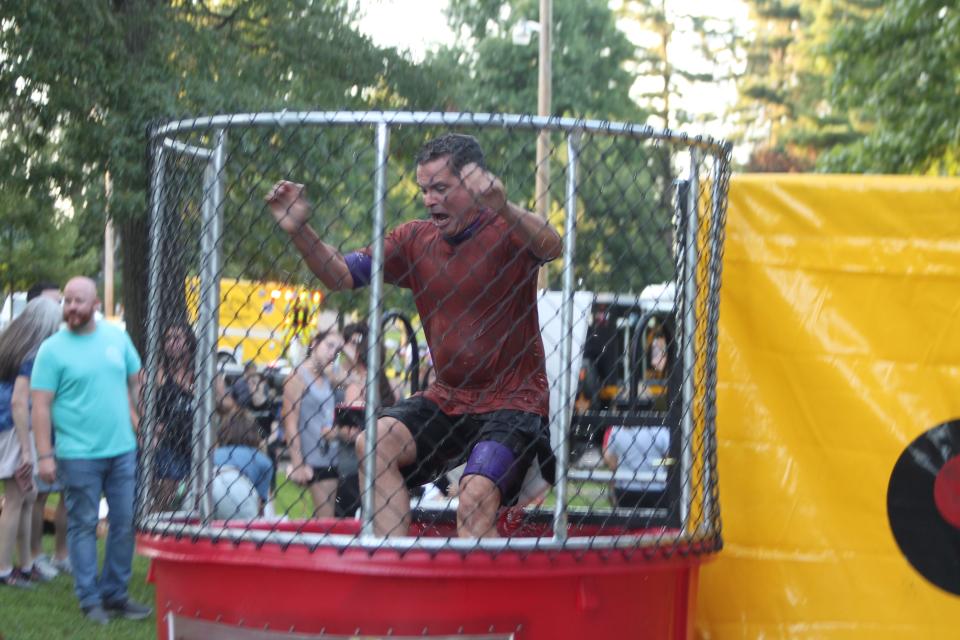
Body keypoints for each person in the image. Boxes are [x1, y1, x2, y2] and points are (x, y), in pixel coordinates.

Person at [265, 133, 562, 538]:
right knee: (375, 442)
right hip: (449, 399)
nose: (429, 199)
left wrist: (505, 207)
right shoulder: (413, 240)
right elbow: (340, 274)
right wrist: (300, 231)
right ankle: (394, 571)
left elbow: (552, 245)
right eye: (424, 190)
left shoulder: (506, 229)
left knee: (473, 497)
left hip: (513, 401)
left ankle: (488, 600)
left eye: (441, 188)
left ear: (474, 185)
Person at [31, 276, 152, 624]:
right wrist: (44, 454)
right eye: (67, 301)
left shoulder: (117, 337)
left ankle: (115, 593)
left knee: (124, 522)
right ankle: (89, 598)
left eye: (78, 301)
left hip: (123, 451)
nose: (71, 307)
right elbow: (41, 405)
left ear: (96, 305)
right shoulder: (52, 349)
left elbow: (136, 381)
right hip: (77, 455)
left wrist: (143, 420)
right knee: (83, 524)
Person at [0, 297, 62, 588]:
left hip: (9, 428)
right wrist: (26, 450)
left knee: (26, 497)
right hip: (15, 430)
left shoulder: (10, 344)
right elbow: (18, 402)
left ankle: (25, 565)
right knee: (15, 500)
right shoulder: (35, 353)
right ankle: (4, 569)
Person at [23, 283, 71, 580]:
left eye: (60, 302)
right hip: (39, 429)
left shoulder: (66, 341)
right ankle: (36, 554)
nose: (60, 309)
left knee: (67, 492)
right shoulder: (28, 347)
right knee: (38, 495)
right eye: (53, 303)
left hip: (66, 428)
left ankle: (62, 554)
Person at [334, 322, 397, 518]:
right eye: (347, 343)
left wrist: (332, 432)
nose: (347, 349)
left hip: (353, 466)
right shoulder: (340, 376)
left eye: (354, 343)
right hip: (349, 464)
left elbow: (353, 431)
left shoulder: (368, 381)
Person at [280, 329, 344, 519]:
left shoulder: (327, 378)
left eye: (337, 350)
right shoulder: (297, 377)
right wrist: (298, 463)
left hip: (331, 456)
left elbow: (357, 378)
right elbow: (289, 423)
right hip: (311, 460)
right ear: (314, 344)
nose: (332, 353)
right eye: (329, 346)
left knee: (328, 521)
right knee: (324, 524)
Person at [151, 323, 197, 512]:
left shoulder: (201, 373)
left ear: (188, 343)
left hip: (195, 442)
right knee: (166, 497)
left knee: (192, 501)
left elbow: (224, 403)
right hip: (168, 443)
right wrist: (153, 430)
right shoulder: (159, 374)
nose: (171, 343)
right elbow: (143, 407)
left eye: (177, 338)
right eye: (168, 339)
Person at [602, 425, 670, 510]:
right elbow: (670, 461)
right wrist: (656, 462)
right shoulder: (660, 430)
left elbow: (612, 464)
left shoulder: (616, 429)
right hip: (656, 488)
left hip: (625, 488)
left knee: (629, 520)